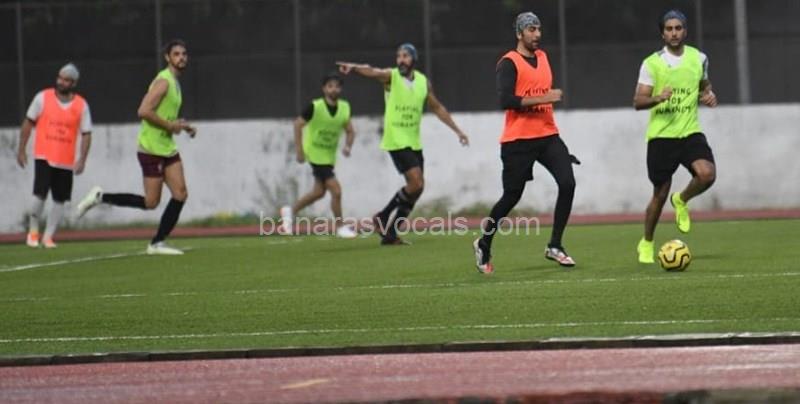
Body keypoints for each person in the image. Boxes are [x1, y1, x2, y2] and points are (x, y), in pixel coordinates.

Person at [473, 12, 578, 274]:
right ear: (519, 34)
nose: (537, 34)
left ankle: (555, 245)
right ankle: (484, 243)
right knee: (512, 196)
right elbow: (506, 100)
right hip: (518, 140)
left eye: (538, 29)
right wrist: (544, 97)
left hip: (547, 135)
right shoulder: (509, 62)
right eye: (531, 29)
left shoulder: (543, 57)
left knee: (568, 182)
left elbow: (541, 94)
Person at [336, 43, 470, 245]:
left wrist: (457, 130)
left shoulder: (423, 82)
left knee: (418, 189)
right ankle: (382, 216)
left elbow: (437, 107)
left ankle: (391, 234)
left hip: (413, 141)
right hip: (396, 139)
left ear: (413, 59)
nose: (401, 60)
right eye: (399, 56)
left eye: (405, 56)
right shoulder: (392, 77)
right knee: (415, 183)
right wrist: (354, 68)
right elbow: (372, 71)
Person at [76, 39, 196, 255]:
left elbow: (165, 115)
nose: (181, 58)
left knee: (180, 194)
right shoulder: (164, 82)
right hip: (151, 148)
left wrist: (182, 126)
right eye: (176, 54)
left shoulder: (175, 83)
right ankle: (101, 197)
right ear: (167, 58)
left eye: (184, 54)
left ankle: (157, 243)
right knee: (151, 202)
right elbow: (143, 110)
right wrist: (170, 126)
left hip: (167, 146)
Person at [633, 10, 718, 264]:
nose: (674, 33)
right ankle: (647, 242)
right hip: (662, 137)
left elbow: (704, 86)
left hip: (689, 132)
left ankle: (681, 200)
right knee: (659, 194)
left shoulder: (698, 58)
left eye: (678, 28)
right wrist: (658, 97)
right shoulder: (652, 63)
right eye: (669, 29)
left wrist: (708, 95)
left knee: (707, 174)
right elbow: (638, 101)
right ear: (662, 33)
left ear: (685, 31)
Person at [17, 63, 93, 248]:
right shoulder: (42, 98)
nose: (61, 82)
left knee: (60, 199)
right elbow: (28, 123)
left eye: (66, 80)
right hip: (44, 155)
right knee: (39, 195)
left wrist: (82, 159)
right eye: (60, 78)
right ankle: (33, 232)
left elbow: (86, 133)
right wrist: (21, 149)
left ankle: (48, 237)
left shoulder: (81, 105)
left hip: (65, 160)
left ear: (73, 83)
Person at [279, 72, 357, 238]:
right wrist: (299, 151)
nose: (334, 89)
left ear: (341, 89)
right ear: (324, 89)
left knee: (319, 192)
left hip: (328, 157)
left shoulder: (344, 108)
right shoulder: (315, 107)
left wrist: (347, 147)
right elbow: (297, 125)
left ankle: (290, 211)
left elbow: (350, 130)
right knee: (336, 191)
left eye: (337, 86)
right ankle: (340, 227)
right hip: (315, 154)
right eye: (330, 86)